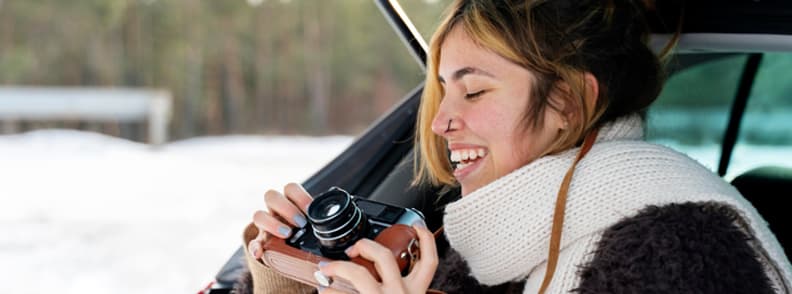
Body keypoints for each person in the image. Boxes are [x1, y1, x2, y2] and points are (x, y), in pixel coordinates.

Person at [234, 0, 792, 293]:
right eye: (443, 92)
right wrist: (286, 278)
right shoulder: (490, 232)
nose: (441, 122)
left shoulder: (682, 251)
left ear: (567, 103)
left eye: (474, 90)